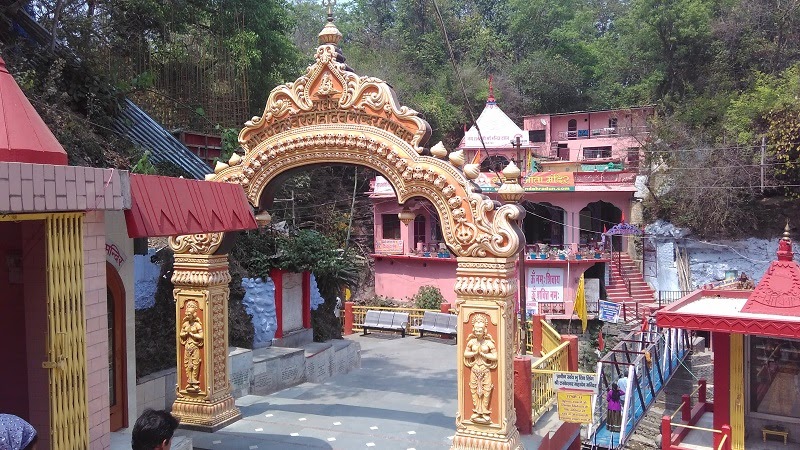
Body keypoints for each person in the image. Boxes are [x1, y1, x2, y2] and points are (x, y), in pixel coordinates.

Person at [463, 315, 498, 424]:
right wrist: (474, 353)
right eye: (476, 330)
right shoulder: (471, 342)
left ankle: (484, 412)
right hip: (474, 368)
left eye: (480, 330)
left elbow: (495, 356)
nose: (478, 332)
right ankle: (477, 411)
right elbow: (465, 353)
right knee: (474, 389)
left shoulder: (489, 343)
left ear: (484, 331)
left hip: (485, 368)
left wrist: (483, 354)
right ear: (473, 329)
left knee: (486, 390)